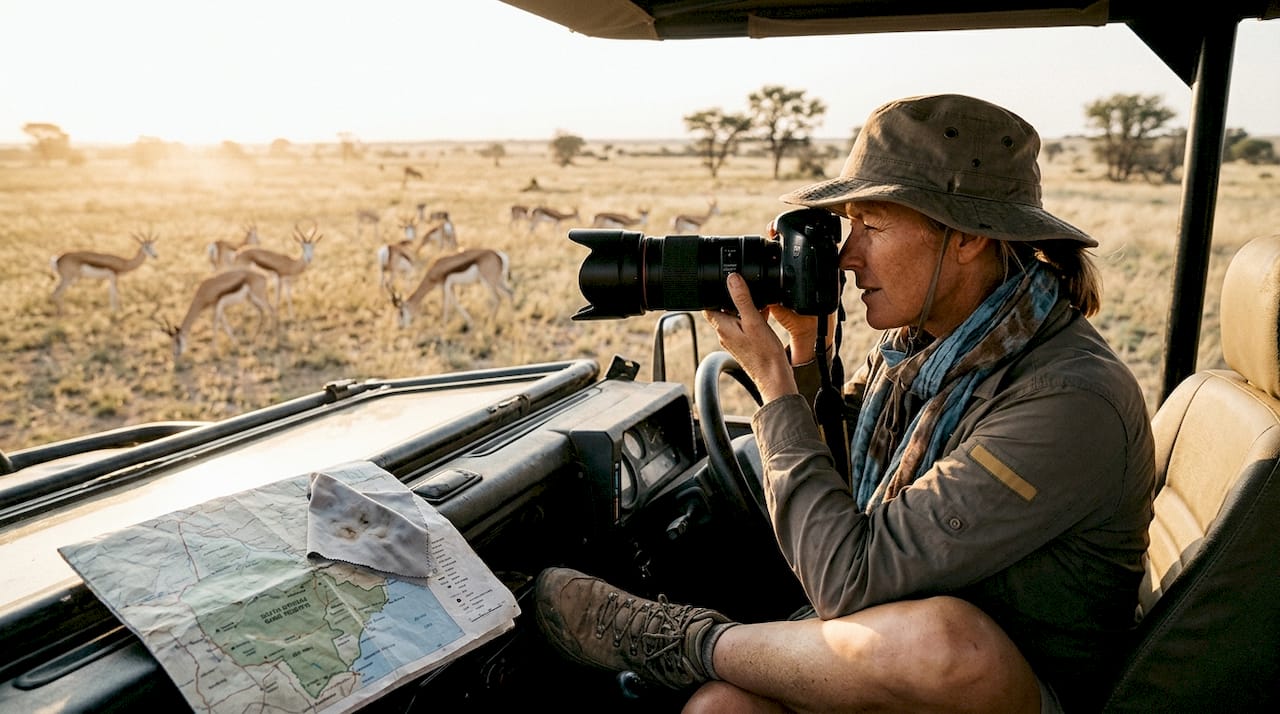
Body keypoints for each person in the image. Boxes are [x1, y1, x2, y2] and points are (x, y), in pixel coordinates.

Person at [534, 93, 1156, 713]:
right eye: (849, 227)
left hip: (1011, 686)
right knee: (722, 708)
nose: (848, 256)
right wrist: (805, 349)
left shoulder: (1067, 400)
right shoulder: (921, 346)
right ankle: (702, 654)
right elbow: (843, 479)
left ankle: (678, 643)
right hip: (897, 650)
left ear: (966, 237)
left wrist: (774, 385)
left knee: (944, 640)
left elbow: (849, 580)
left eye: (871, 226)